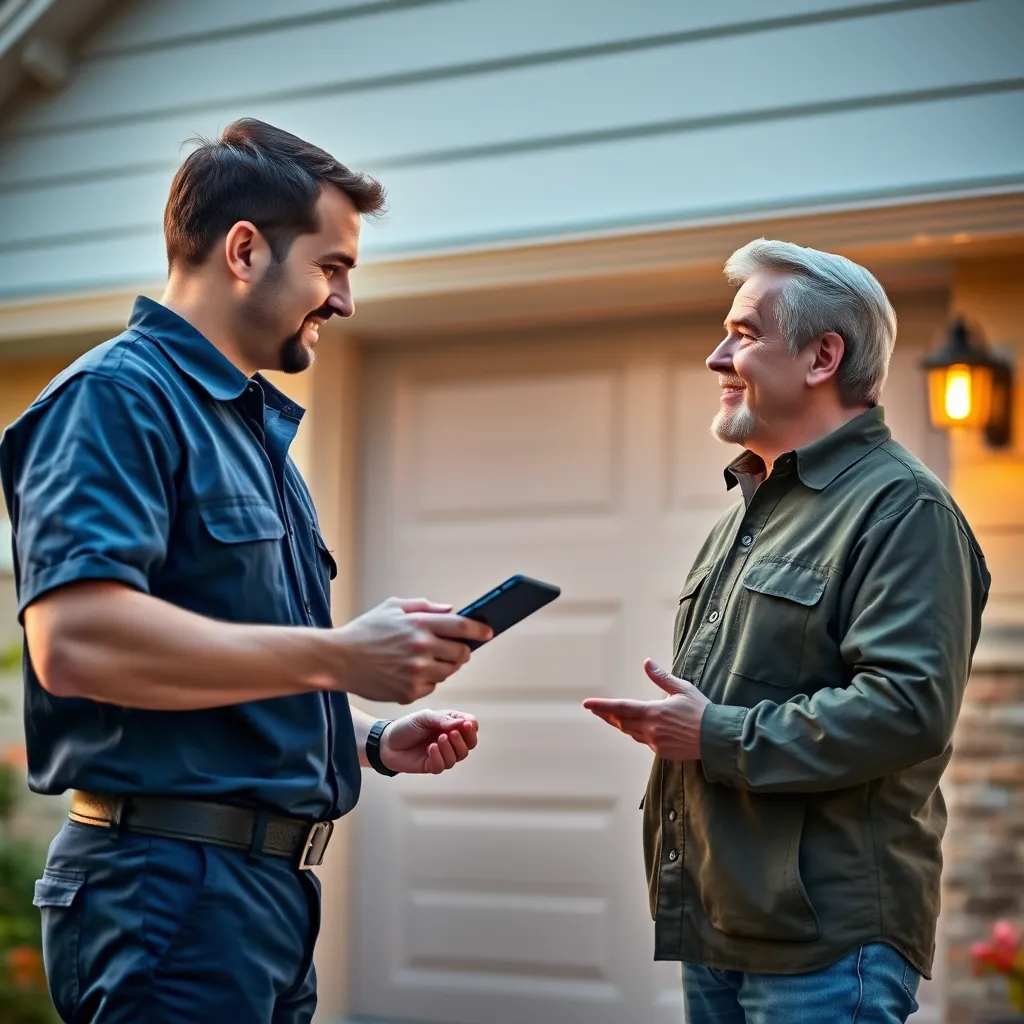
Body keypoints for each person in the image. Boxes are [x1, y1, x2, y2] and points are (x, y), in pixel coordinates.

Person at [0, 119, 492, 1024]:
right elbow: (75, 644)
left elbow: (218, 668)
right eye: (332, 266)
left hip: (254, 903)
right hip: (167, 898)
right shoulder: (114, 400)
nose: (343, 299)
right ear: (243, 249)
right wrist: (343, 655)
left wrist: (363, 738)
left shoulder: (247, 430)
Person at [584, 239, 990, 1024]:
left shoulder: (903, 511)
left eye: (742, 334)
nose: (716, 356)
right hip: (722, 922)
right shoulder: (746, 518)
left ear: (821, 357)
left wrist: (715, 734)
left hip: (825, 946)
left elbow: (908, 707)